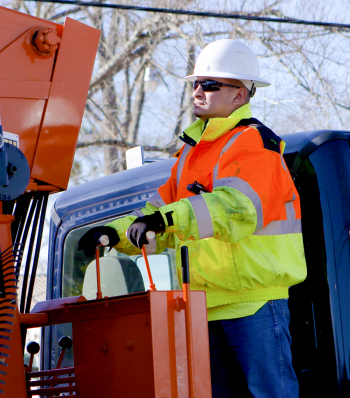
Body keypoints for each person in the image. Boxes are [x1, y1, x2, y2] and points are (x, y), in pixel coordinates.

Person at [78, 39, 307, 397]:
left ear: (240, 94)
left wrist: (164, 222)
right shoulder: (190, 153)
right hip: (206, 305)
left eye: (210, 84)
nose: (198, 91)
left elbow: (234, 208)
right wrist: (115, 233)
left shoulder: (253, 143)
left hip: (254, 300)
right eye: (196, 83)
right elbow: (157, 213)